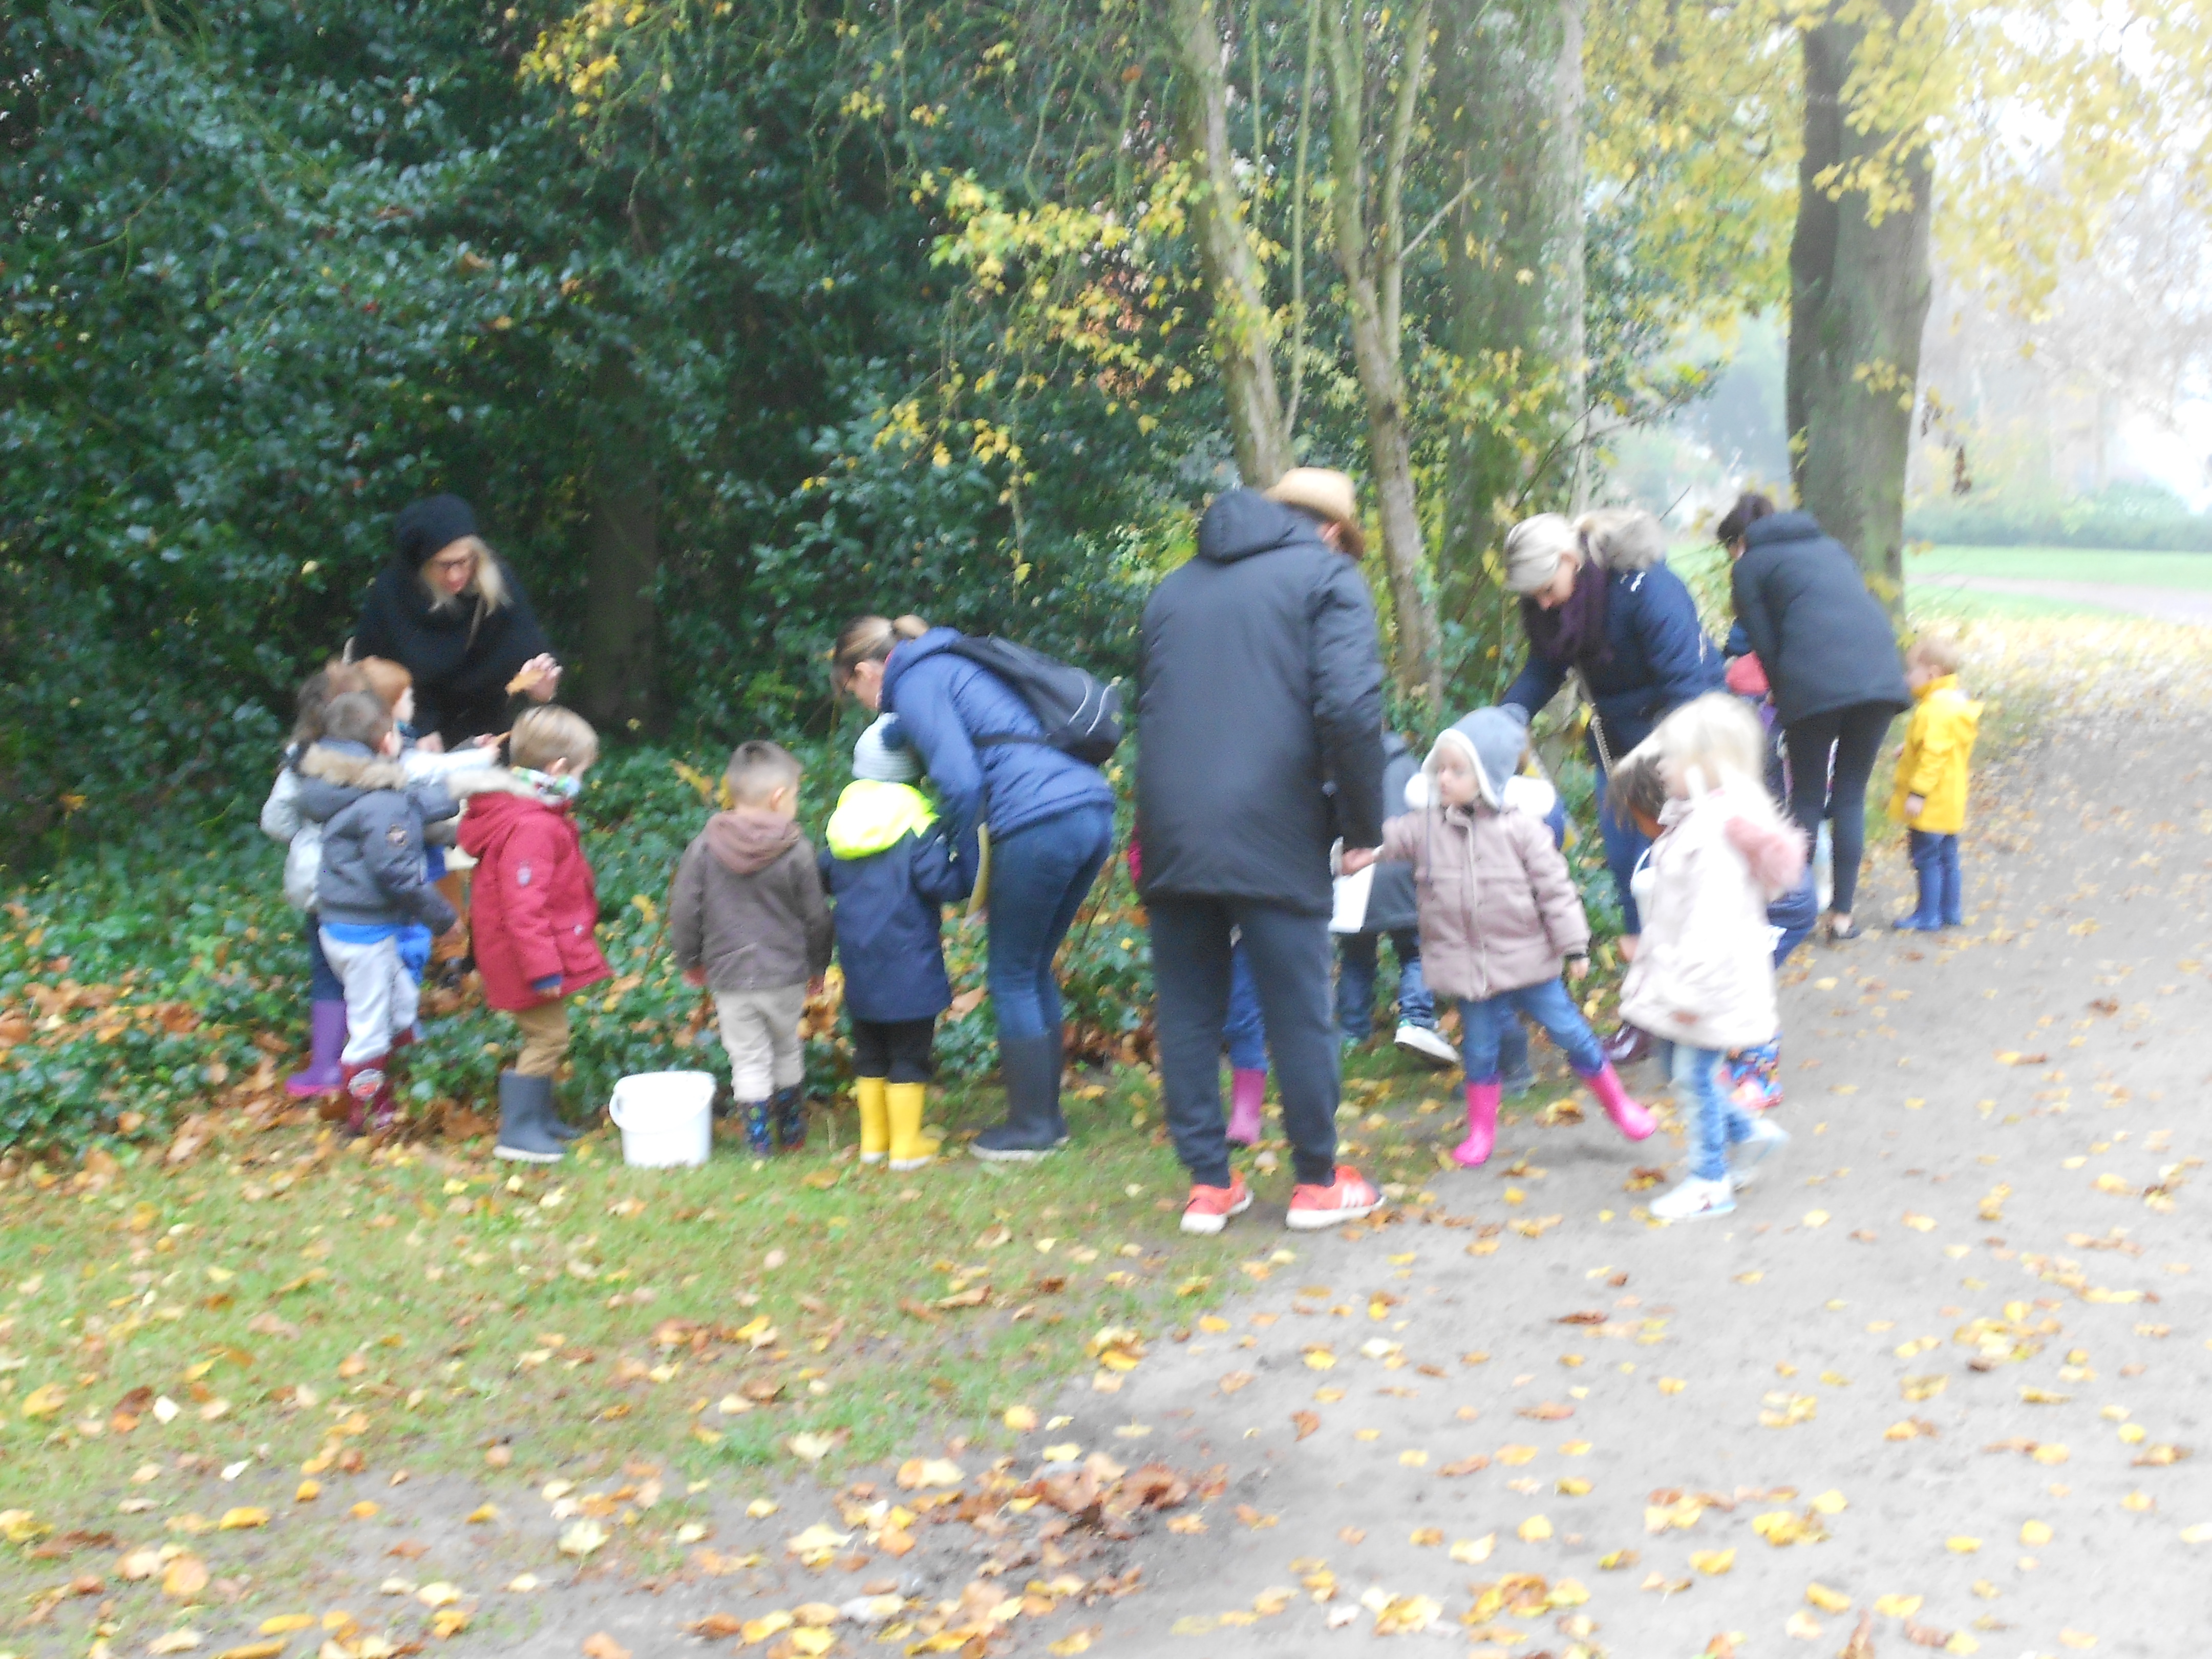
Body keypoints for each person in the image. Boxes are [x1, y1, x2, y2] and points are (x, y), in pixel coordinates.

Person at [1136, 467, 1388, 1236]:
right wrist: (1361, 826)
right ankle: (1316, 1180)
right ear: (1334, 533)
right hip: (1276, 822)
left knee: (1186, 1008)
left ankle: (1209, 1186)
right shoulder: (1328, 580)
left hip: (1173, 824)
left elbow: (1153, 704)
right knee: (1297, 1004)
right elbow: (1348, 708)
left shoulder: (1172, 590)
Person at [830, 614, 1116, 1163]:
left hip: (1036, 820)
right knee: (1031, 967)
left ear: (866, 671)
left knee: (1011, 972)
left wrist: (971, 866)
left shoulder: (913, 681)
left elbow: (961, 781)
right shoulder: (951, 659)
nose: (866, 705)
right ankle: (1045, 1119)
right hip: (1089, 809)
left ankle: (1032, 1127)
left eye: (855, 692)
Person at [1344, 708, 1653, 1168]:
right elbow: (1388, 841)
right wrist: (1359, 853)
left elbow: (1556, 889)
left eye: (1457, 770)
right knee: (1481, 1049)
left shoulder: (1520, 828)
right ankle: (1481, 1131)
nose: (1444, 778)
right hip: (1472, 972)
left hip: (1529, 962)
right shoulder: (1426, 825)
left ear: (1486, 777)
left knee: (1570, 1030)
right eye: (1440, 768)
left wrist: (1574, 946)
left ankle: (1619, 1105)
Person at [1500, 507, 1725, 1063]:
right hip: (1619, 753)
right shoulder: (1559, 605)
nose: (1545, 605)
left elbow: (1686, 688)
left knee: (1690, 882)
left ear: (1571, 560)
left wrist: (1676, 776)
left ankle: (1713, 1016)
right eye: (1534, 599)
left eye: (1548, 589)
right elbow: (1544, 669)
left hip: (1686, 746)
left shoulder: (1649, 590)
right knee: (1632, 879)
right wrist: (1506, 718)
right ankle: (1644, 1018)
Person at [1619, 695, 1804, 1221]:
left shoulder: (1713, 835)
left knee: (1693, 1076)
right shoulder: (1693, 820)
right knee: (1672, 1065)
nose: (1661, 767)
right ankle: (1750, 1134)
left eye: (1672, 757)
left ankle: (1709, 1182)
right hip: (1687, 977)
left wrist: (1686, 991)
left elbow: (1711, 923)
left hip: (1705, 985)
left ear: (1706, 765)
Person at [294, 692, 506, 1135]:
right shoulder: (378, 798)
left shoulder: (345, 781)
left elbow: (415, 801)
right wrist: (444, 918)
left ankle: (404, 1069)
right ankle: (369, 1114)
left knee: (401, 1002)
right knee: (370, 1025)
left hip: (346, 924)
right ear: (386, 741)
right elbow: (398, 874)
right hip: (365, 933)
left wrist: (469, 773)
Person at [1719, 492, 1910, 941]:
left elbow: (1765, 648)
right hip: (1881, 675)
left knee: (1805, 797)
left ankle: (1794, 910)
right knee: (1848, 795)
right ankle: (1842, 917)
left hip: (1813, 685)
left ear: (1738, 541)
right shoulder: (1830, 547)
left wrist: (1784, 703)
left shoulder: (1749, 567)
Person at [819, 715, 973, 1172]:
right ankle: (906, 1146)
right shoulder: (915, 821)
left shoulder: (842, 823)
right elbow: (940, 883)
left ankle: (874, 1142)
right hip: (910, 964)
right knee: (910, 1054)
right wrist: (966, 868)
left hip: (860, 963)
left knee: (870, 1052)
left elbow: (823, 876)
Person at [459, 706, 612, 1164]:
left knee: (548, 1036)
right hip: (525, 957)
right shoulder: (532, 825)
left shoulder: (533, 812)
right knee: (548, 1039)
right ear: (558, 769)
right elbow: (523, 907)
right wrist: (544, 968)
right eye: (582, 770)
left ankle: (539, 1118)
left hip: (526, 954)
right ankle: (520, 1131)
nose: (583, 779)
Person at [668, 741, 834, 1156]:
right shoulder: (796, 849)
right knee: (786, 1048)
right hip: (786, 975)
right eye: (795, 795)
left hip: (730, 976)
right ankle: (793, 1134)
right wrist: (819, 966)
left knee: (748, 1059)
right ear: (779, 798)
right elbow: (817, 916)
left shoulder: (705, 847)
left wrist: (690, 960)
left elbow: (685, 909)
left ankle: (758, 1145)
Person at [352, 494, 564, 749]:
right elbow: (368, 675)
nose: (455, 575)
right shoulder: (392, 594)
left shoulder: (497, 586)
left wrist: (541, 686)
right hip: (408, 734)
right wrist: (418, 729)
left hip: (486, 735)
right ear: (421, 564)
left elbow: (531, 652)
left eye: (463, 561)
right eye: (443, 565)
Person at [261, 661, 369, 1099]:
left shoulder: (299, 762)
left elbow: (274, 819)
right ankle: (368, 1066)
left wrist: (306, 838)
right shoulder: (380, 757)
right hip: (369, 882)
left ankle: (325, 1066)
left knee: (326, 972)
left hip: (319, 883)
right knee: (370, 968)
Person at [1332, 730, 1455, 1068]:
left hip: (1357, 875)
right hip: (1404, 873)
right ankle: (1415, 1021)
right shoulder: (1414, 769)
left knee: (1356, 957)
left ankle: (1352, 1033)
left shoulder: (1346, 771)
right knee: (1416, 952)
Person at [1887, 630, 1982, 931]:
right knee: (1948, 856)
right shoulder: (1955, 702)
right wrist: (1910, 747)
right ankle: (1950, 911)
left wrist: (1918, 794)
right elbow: (1942, 746)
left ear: (1932, 672)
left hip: (1932, 801)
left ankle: (1927, 915)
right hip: (1951, 798)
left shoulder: (1934, 709)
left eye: (1911, 670)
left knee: (1926, 857)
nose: (1907, 677)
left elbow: (1933, 758)